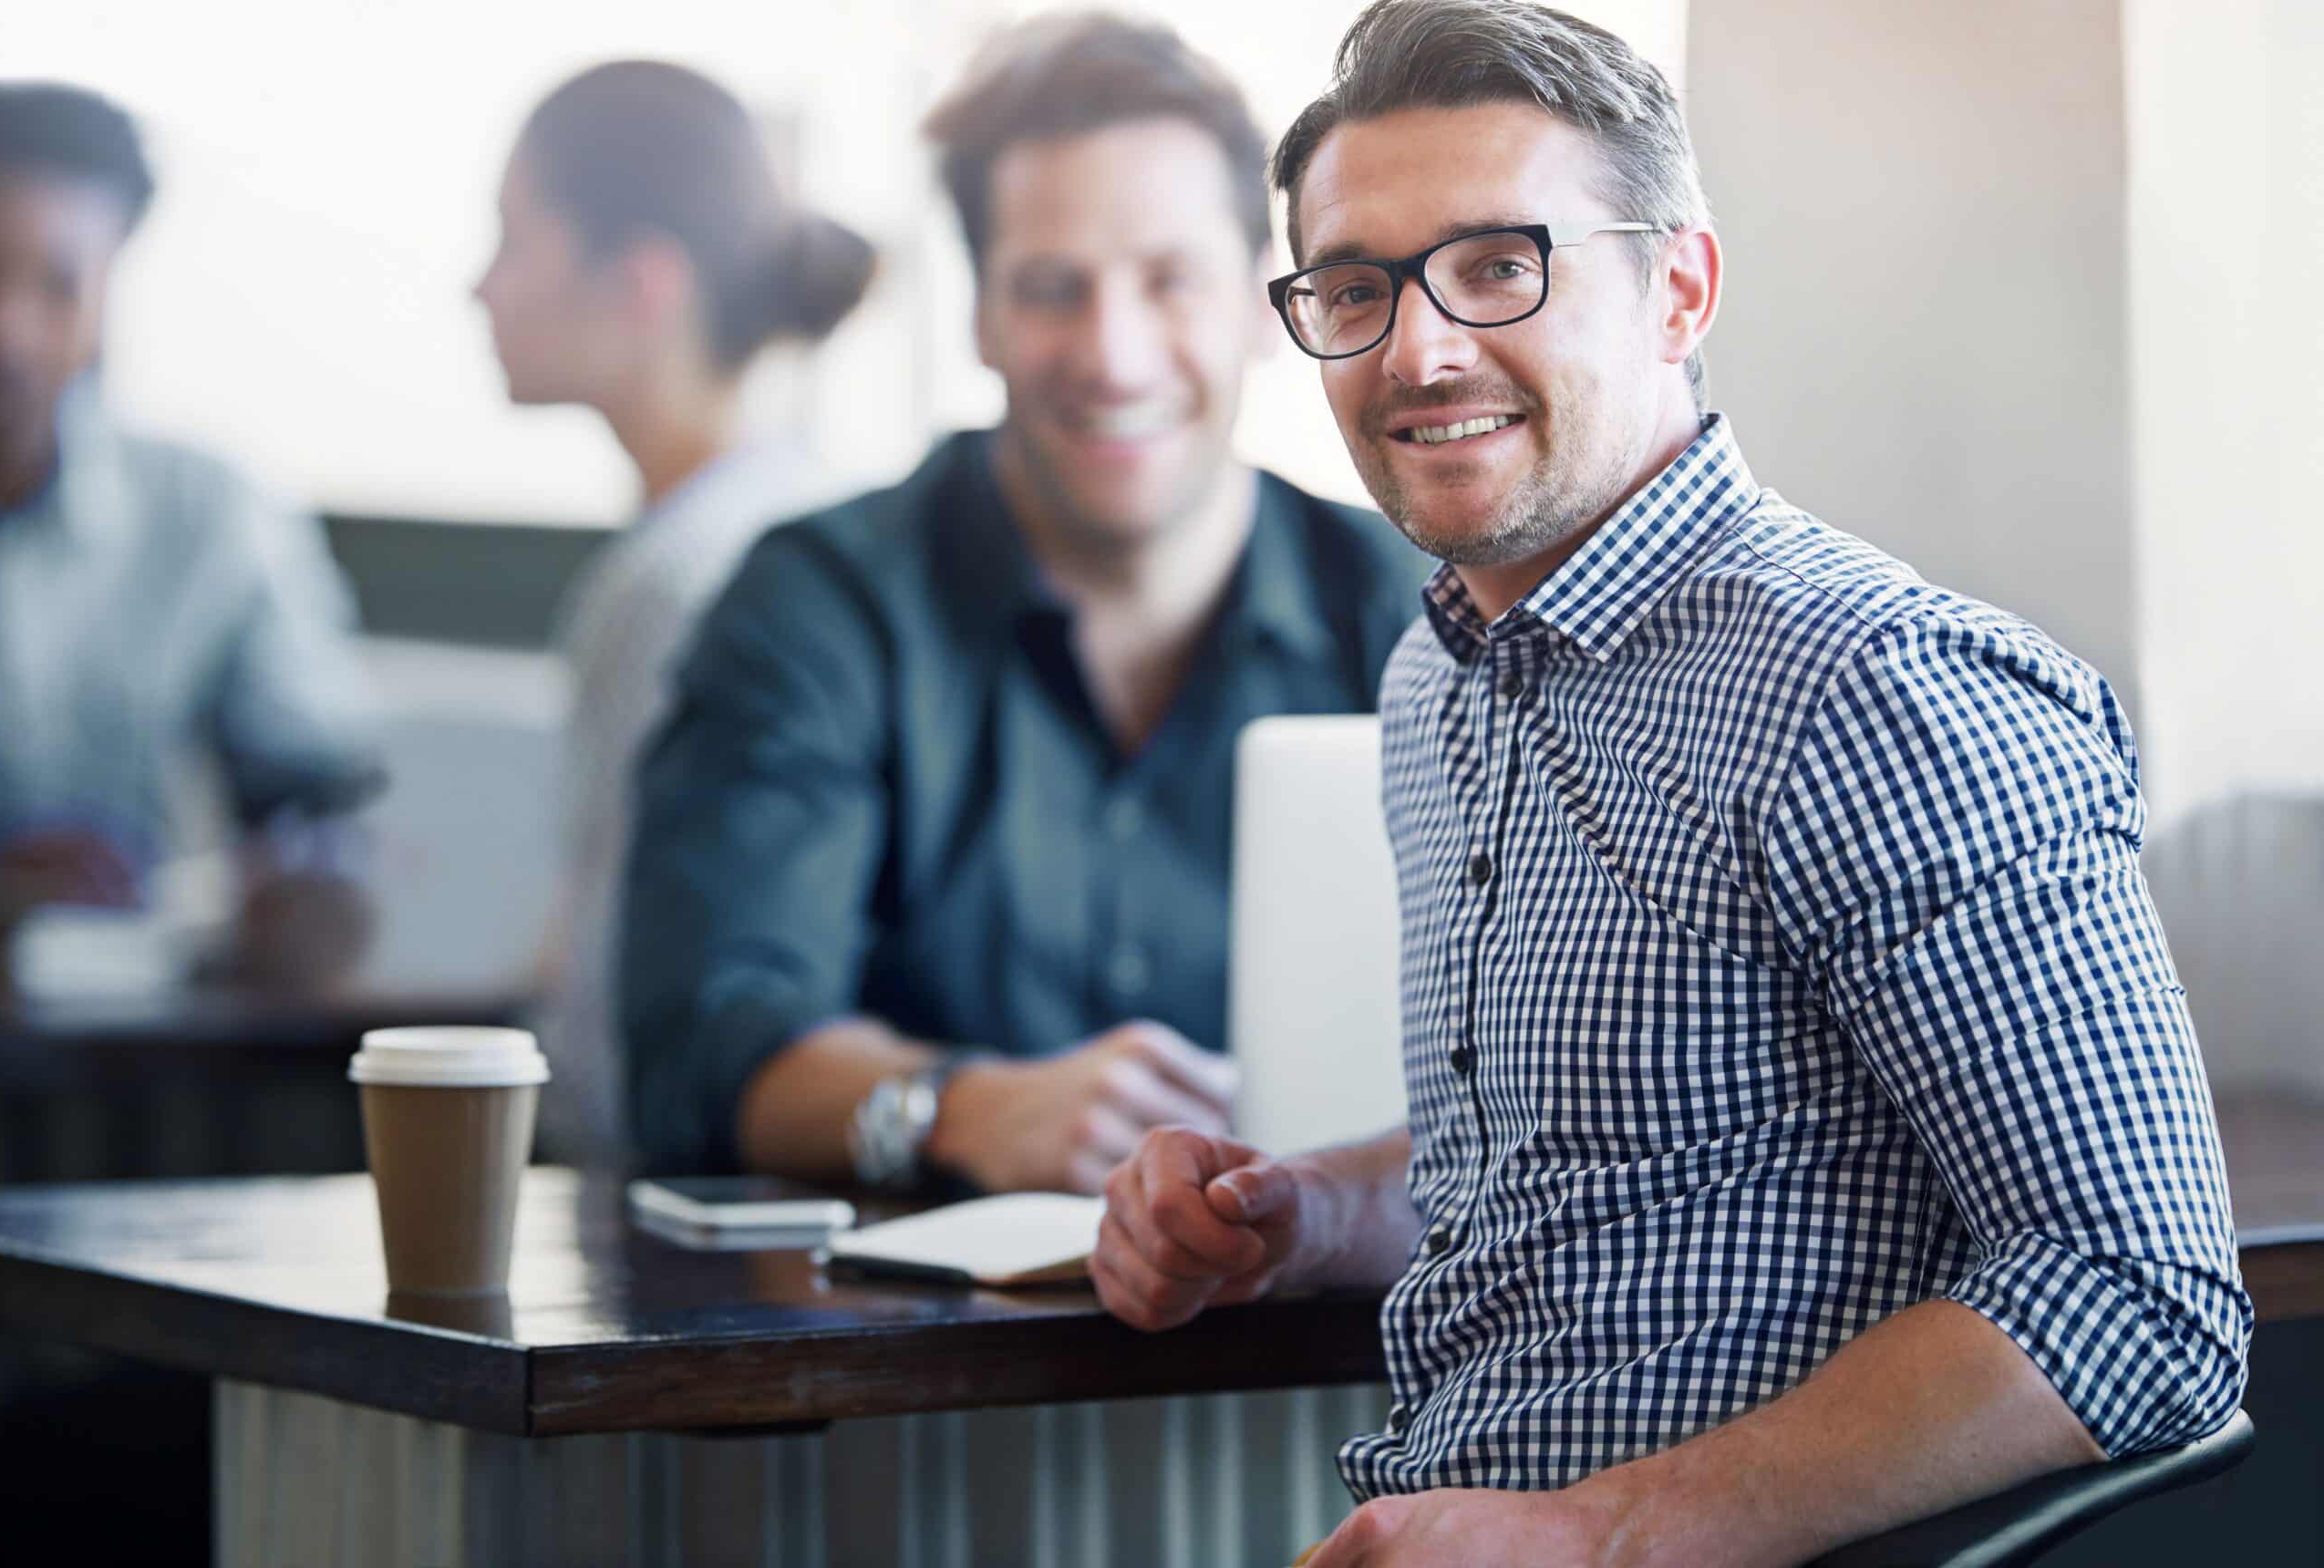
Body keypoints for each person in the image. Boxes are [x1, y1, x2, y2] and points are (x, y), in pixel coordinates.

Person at [1090, 4, 2252, 1563]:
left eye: (1501, 265)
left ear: (1680, 289)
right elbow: (1575, 1169)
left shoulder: (1885, 693)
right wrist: (1301, 1216)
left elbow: (2141, 1300)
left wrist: (1599, 1538)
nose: (1420, 349)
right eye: (1357, 288)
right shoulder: (1440, 675)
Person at [620, 14, 1431, 1187]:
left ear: (1266, 306)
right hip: (906, 1353)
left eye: (1170, 280)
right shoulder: (816, 605)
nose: (1113, 351)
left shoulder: (1409, 605)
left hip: (1326, 1339)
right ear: (982, 321)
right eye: (1052, 290)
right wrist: (958, 1109)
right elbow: (702, 1044)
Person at [474, 60, 875, 1165]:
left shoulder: (686, 582)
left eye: (512, 238)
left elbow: (610, 1014)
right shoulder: (798, 524)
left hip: (648, 1202)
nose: (481, 287)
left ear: (642, 283)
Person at [0, 82, 383, 990]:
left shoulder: (208, 513)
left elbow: (319, 801)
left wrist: (299, 884)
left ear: (109, 287)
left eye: (58, 284)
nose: (6, 330)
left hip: (128, 1053)